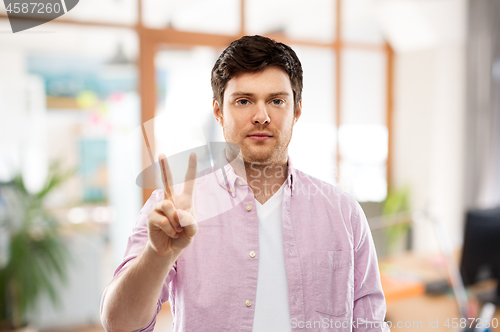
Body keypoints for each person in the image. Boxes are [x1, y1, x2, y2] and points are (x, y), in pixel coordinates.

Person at [100, 35, 390, 332]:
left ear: (297, 111)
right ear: (218, 111)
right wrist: (157, 255)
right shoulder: (172, 209)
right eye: (243, 101)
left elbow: (369, 325)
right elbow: (119, 323)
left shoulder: (344, 213)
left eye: (276, 101)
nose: (261, 116)